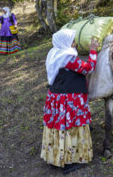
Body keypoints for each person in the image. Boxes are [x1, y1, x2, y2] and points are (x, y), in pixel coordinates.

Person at [41, 29, 99, 175]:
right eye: (73, 41)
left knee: (58, 126)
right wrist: (93, 51)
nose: (75, 44)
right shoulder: (67, 58)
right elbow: (89, 68)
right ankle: (69, 161)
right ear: (66, 42)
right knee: (70, 126)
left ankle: (56, 158)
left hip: (56, 97)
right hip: (69, 100)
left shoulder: (54, 54)